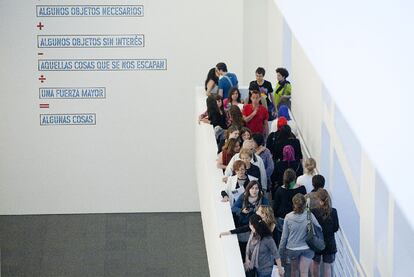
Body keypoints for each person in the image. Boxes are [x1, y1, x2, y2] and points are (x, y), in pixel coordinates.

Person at [279, 193, 322, 277]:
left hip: (292, 249)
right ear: (304, 203)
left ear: (293, 204)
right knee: (304, 273)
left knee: (294, 271)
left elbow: (284, 237)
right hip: (307, 248)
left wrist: (280, 251)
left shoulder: (288, 217)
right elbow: (319, 228)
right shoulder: (309, 215)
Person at [232, 181, 270, 260]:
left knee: (254, 251)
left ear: (259, 190)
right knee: (243, 250)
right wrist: (242, 210)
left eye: (256, 188)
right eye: (252, 188)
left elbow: (268, 212)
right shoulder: (243, 197)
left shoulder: (263, 200)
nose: (254, 190)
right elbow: (234, 208)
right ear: (248, 189)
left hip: (257, 229)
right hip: (243, 226)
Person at [273, 169, 306, 245]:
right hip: (297, 217)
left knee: (282, 239)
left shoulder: (279, 190)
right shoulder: (302, 189)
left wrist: (274, 216)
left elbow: (275, 206)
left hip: (282, 218)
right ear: (295, 177)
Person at [311, 189, 339, 277]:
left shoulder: (313, 212)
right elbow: (335, 228)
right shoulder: (333, 211)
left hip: (317, 243)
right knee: (327, 268)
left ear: (318, 199)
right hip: (330, 243)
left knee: (315, 264)